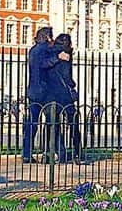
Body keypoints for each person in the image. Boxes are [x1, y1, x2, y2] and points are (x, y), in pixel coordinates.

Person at [22, 26, 66, 162]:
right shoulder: (44, 49)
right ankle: (57, 152)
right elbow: (43, 64)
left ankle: (27, 154)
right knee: (53, 123)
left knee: (32, 124)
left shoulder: (33, 50)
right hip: (45, 92)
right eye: (50, 37)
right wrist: (58, 57)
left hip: (33, 91)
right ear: (47, 37)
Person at [45, 32, 82, 162]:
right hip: (65, 95)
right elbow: (67, 77)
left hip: (51, 94)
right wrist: (72, 84)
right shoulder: (66, 55)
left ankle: (53, 152)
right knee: (73, 123)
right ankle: (77, 152)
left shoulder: (50, 53)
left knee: (53, 124)